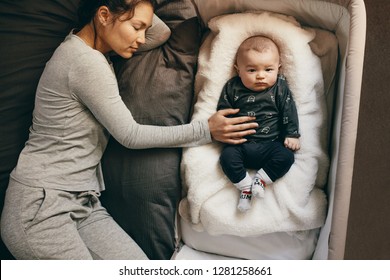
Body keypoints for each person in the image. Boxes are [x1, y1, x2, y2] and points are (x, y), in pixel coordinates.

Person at [0, 0, 258, 260]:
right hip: (41, 207)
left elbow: (161, 33)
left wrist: (138, 12)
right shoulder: (83, 61)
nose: (141, 38)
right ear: (103, 14)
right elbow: (130, 135)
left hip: (82, 202)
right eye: (136, 27)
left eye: (142, 29)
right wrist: (205, 130)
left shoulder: (98, 50)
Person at [217, 35, 301, 212]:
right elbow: (223, 113)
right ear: (238, 70)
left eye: (268, 70)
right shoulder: (232, 87)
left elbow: (289, 109)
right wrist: (227, 131)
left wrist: (292, 134)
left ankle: (260, 180)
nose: (261, 76)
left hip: (271, 144)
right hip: (241, 144)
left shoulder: (279, 86)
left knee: (287, 157)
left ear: (279, 68)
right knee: (226, 158)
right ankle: (245, 186)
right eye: (252, 70)